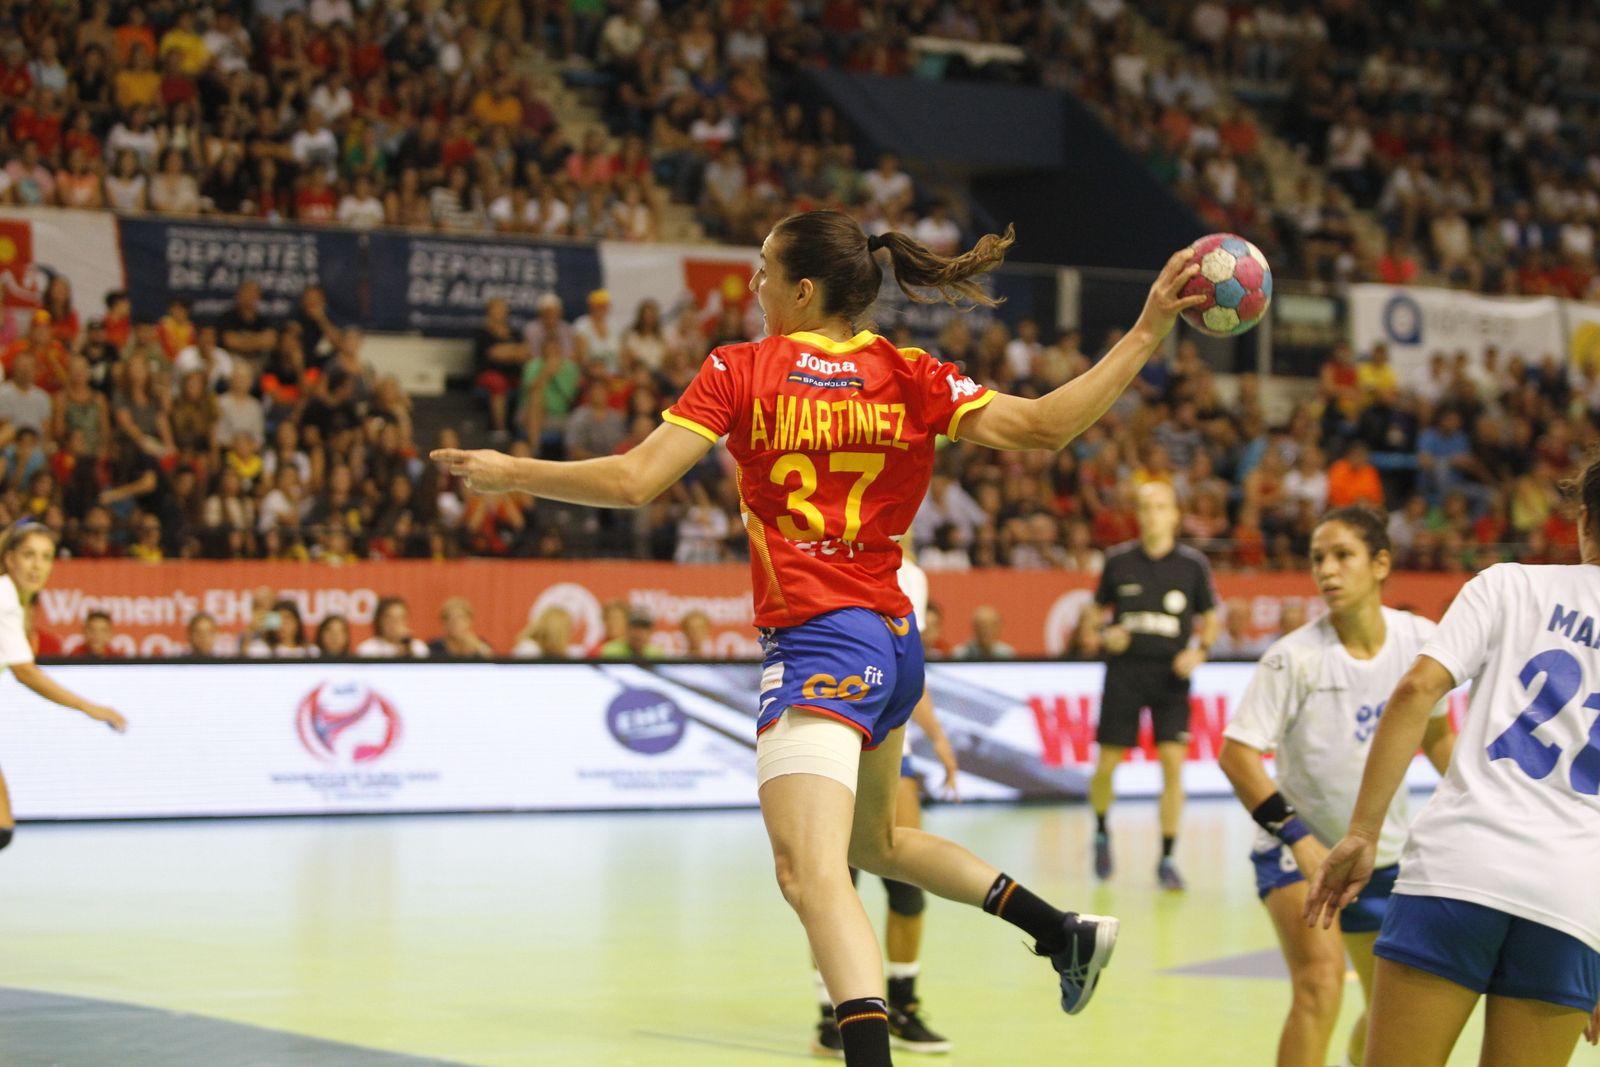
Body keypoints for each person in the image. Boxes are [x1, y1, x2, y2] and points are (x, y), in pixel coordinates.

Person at [433, 210, 1205, 1066]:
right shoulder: (909, 372)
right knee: (876, 845)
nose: (753, 283)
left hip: (819, 640)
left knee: (810, 873)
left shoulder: (740, 369)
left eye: (764, 269)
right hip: (892, 637)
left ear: (802, 290)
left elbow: (633, 480)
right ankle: (1059, 930)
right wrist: (1146, 331)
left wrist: (511, 472)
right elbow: (1046, 425)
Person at [1307, 461, 1600, 1067]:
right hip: (1574, 899)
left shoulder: (1510, 584)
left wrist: (1363, 831)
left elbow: (1417, 689)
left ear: (1583, 520)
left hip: (1460, 866)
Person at [1220, 507, 1456, 1067]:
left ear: (1381, 564)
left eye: (1342, 555)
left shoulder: (1421, 641)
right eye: (1317, 559)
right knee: (1320, 983)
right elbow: (1237, 756)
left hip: (1383, 855)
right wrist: (1300, 841)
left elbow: (1437, 734)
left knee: (1389, 1012)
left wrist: (1482, 799)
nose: (1327, 570)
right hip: (1298, 849)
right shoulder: (1293, 657)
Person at [814, 543, 962, 1057]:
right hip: (828, 729)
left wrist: (937, 738)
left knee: (904, 879)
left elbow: (906, 663)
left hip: (888, 742)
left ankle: (903, 1004)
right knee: (832, 882)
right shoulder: (817, 550)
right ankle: (831, 1013)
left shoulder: (910, 575)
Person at [1090, 480, 1219, 890]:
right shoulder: (1118, 561)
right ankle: (1101, 830)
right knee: (1106, 765)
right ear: (1138, 515)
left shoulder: (1193, 565)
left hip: (1171, 677)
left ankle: (1166, 858)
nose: (1153, 515)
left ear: (1175, 515)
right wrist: (1105, 634)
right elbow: (1093, 615)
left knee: (1172, 765)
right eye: (1146, 507)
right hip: (1125, 673)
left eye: (1161, 507)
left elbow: (1211, 617)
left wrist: (1200, 651)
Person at [0, 521, 126, 853]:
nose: (37, 565)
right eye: (28, 555)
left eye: (45, 556)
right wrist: (90, 708)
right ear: (10, 558)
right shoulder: (5, 600)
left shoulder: (12, 599)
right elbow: (25, 672)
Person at [356, 596, 429, 658]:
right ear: (380, 621)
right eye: (390, 618)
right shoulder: (367, 649)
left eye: (400, 618)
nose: (396, 623)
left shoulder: (418, 647)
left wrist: (408, 648)